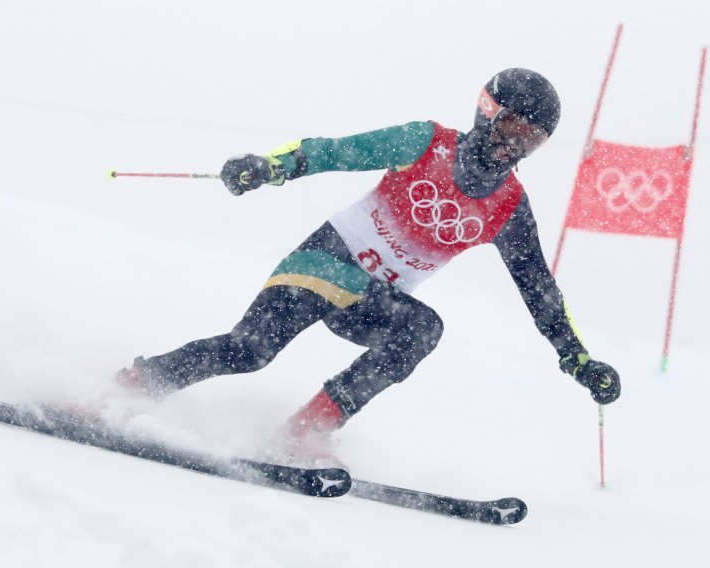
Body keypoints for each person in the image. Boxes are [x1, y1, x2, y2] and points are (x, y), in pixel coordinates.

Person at [117, 68, 621, 463]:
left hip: (366, 298)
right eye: (512, 126)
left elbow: (539, 290)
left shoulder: (509, 206)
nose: (515, 144)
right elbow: (334, 152)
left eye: (531, 139)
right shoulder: (426, 142)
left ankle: (307, 430)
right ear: (487, 111)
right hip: (321, 264)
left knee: (419, 329)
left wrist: (576, 358)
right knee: (251, 351)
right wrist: (271, 167)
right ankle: (131, 386)